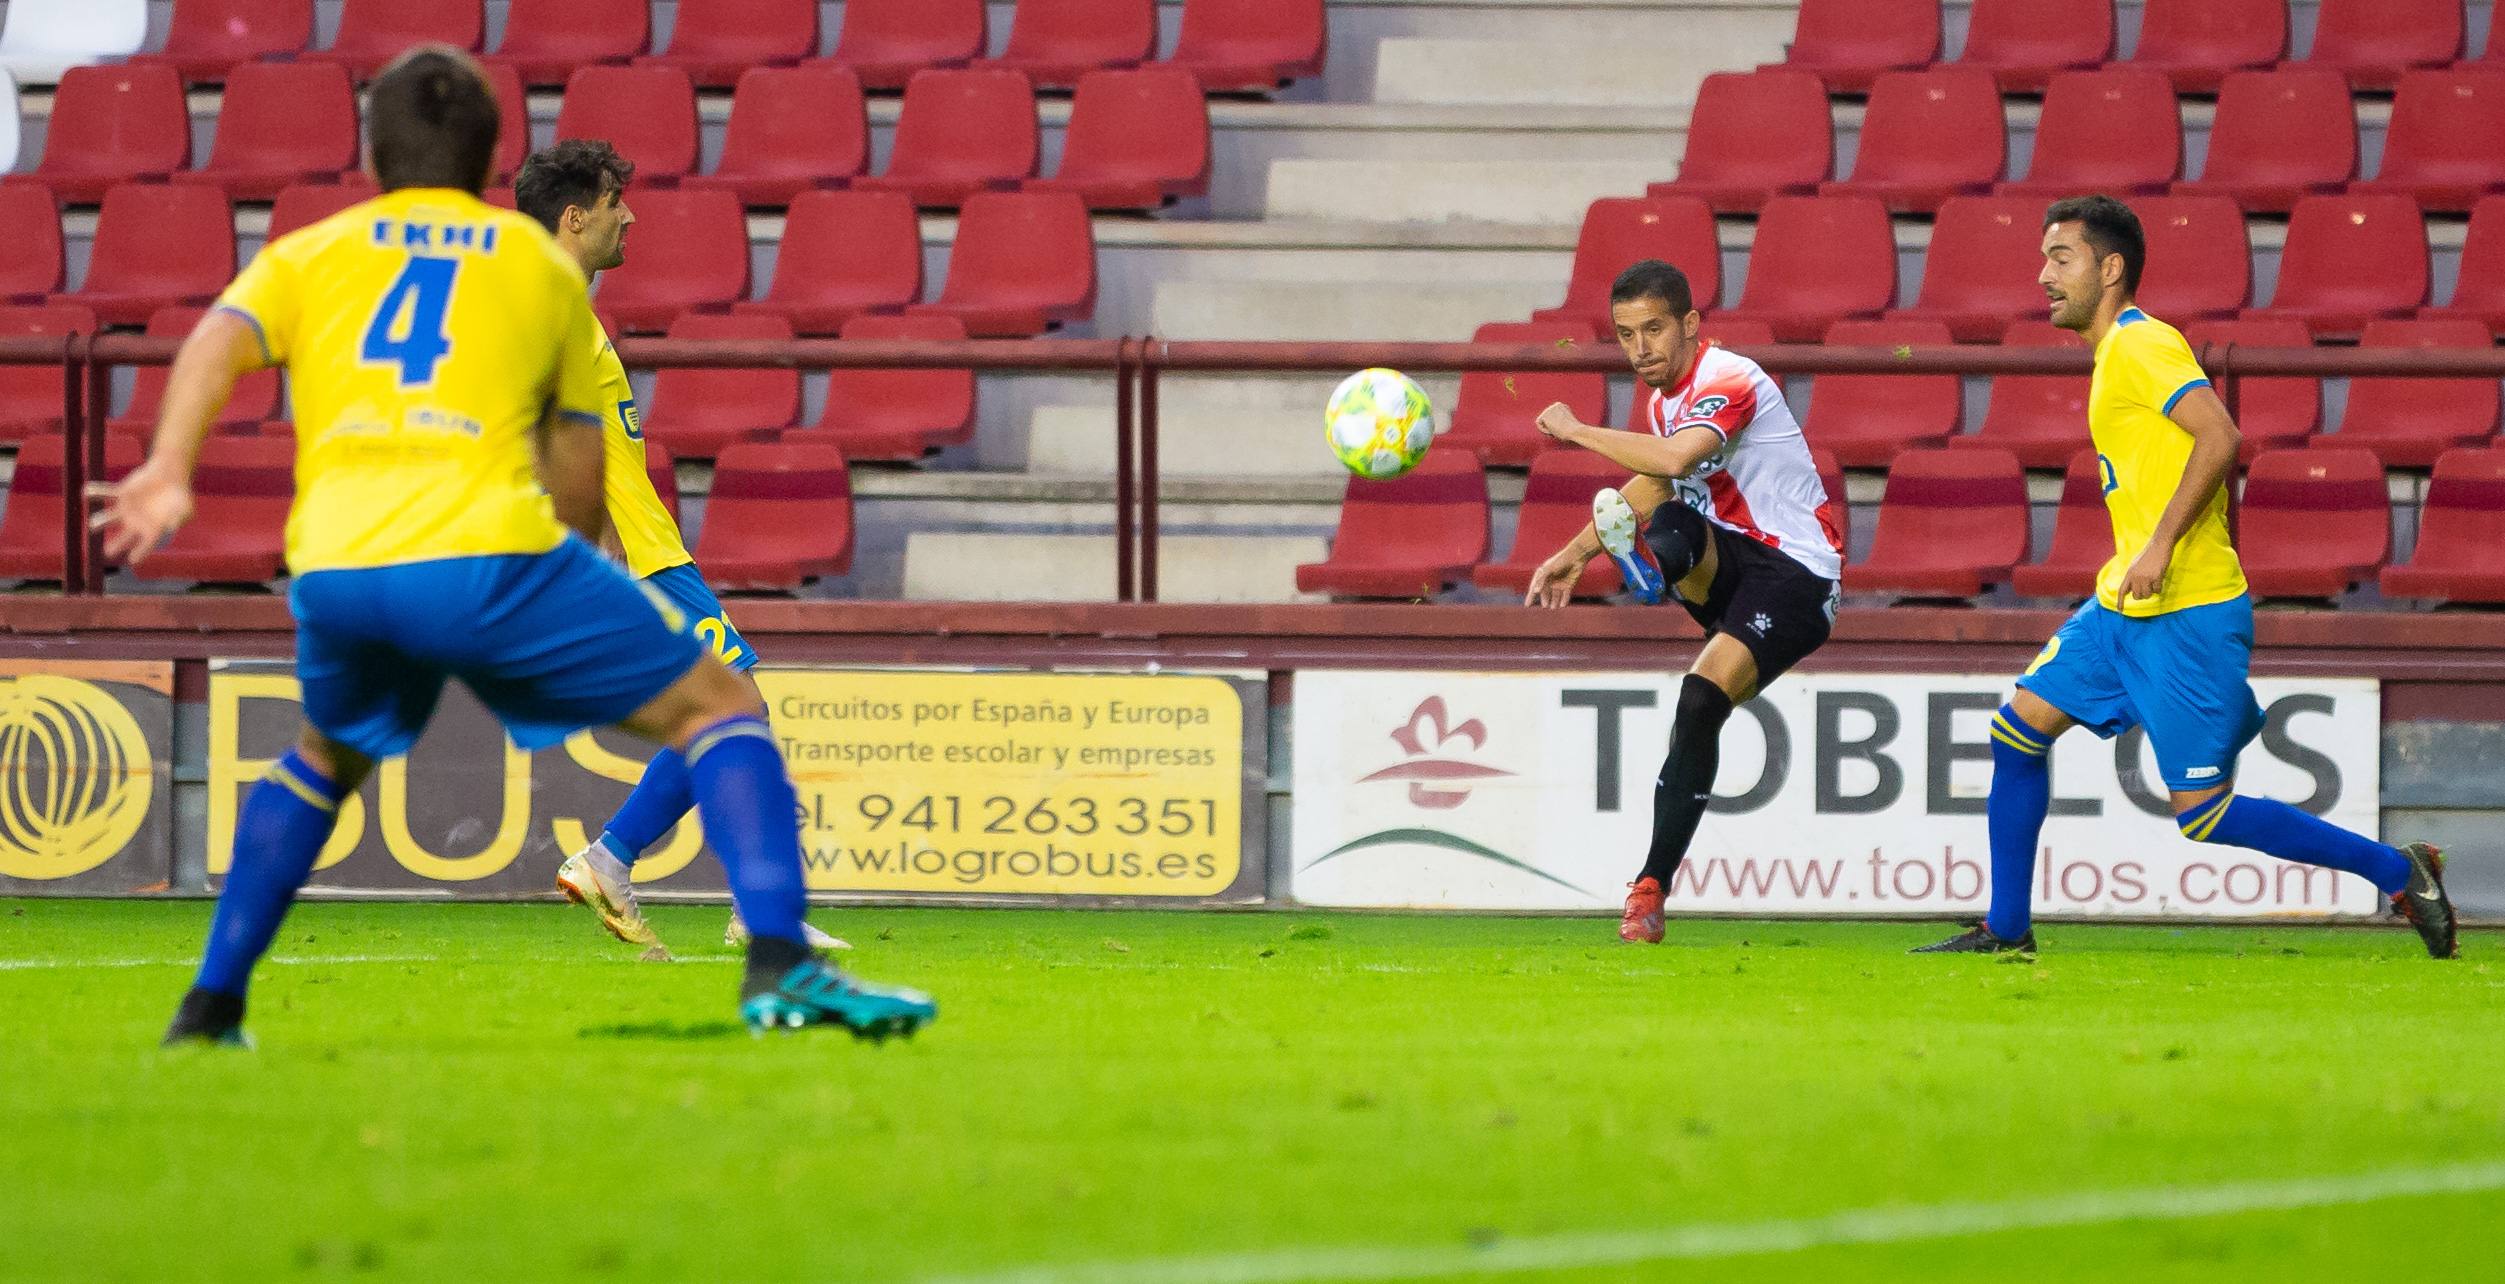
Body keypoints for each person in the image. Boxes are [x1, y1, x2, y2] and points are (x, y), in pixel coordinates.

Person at [110, 47, 934, 1045]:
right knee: (723, 704)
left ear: (373, 152)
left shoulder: (311, 251)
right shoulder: (535, 269)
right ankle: (778, 963)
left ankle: (210, 1007)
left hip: (340, 565)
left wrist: (167, 469)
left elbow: (213, 340)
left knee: (322, 760)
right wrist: (574, 577)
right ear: (490, 152)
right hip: (490, 553)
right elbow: (578, 472)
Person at [1913, 194, 2457, 960]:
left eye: (2059, 258)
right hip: (2122, 606)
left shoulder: (2142, 344)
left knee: (2201, 813)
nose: (2042, 276)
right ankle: (2005, 929)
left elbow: (2220, 434)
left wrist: (2161, 543)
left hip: (2186, 609)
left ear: (2110, 269)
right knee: (2015, 733)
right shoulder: (2112, 356)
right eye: (2043, 259)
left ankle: (2396, 870)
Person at [513, 139, 846, 959]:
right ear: (574, 216)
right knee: (735, 710)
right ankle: (654, 874)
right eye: (614, 200)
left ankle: (667, 878)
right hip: (640, 559)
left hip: (645, 553)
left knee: (721, 714)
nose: (629, 214)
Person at [1525, 259, 1846, 944]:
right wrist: (1575, 552)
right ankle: (1647, 897)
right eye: (1624, 334)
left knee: (1700, 696)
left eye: (1653, 329)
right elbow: (1654, 478)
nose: (1640, 348)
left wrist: (1576, 430)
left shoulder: (1730, 380)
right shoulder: (1662, 401)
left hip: (1796, 576)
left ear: (1690, 325)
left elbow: (1673, 462)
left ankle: (1651, 570)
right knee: (1671, 522)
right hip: (1729, 560)